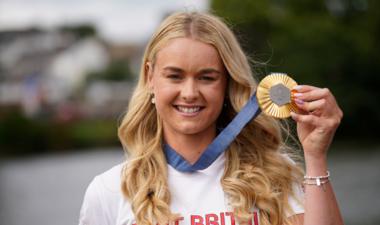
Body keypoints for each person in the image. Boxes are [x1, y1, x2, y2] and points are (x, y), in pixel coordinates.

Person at [79, 11, 344, 225]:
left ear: (227, 83)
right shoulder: (109, 191)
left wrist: (315, 157)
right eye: (175, 76)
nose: (190, 93)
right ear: (150, 77)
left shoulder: (274, 175)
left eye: (207, 77)